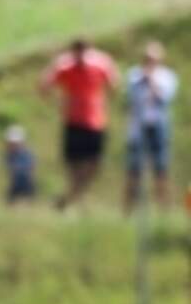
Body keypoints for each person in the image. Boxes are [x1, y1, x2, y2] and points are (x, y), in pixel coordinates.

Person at [39, 37, 119, 210]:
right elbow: (44, 87)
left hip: (95, 122)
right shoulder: (65, 67)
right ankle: (75, 201)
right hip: (74, 121)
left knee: (94, 164)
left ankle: (69, 198)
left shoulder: (100, 64)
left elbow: (113, 85)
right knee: (74, 166)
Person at [124, 41, 178, 213]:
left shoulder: (167, 77)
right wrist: (143, 79)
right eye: (147, 58)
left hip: (159, 126)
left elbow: (164, 99)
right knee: (134, 168)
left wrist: (152, 81)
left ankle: (164, 208)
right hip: (138, 126)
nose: (149, 62)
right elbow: (131, 98)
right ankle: (128, 209)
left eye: (153, 59)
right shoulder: (134, 75)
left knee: (161, 167)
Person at [4, 125, 37, 204]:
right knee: (12, 197)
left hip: (26, 181)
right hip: (15, 182)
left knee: (27, 197)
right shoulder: (10, 155)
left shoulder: (26, 154)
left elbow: (31, 166)